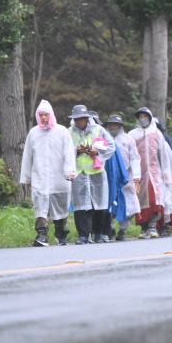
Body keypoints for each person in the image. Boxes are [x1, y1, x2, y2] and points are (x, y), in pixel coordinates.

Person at [20, 100, 76, 246]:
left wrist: (69, 171)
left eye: (46, 115)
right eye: (41, 115)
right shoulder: (33, 133)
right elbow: (27, 157)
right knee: (40, 208)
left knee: (60, 207)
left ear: (51, 115)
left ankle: (61, 233)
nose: (44, 118)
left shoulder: (62, 131)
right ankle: (42, 235)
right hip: (40, 178)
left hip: (59, 178)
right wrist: (28, 179)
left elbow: (69, 152)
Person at [67, 105, 116, 244]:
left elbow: (111, 146)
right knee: (80, 206)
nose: (79, 122)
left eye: (82, 119)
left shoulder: (98, 130)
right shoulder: (69, 132)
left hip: (96, 173)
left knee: (99, 205)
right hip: (78, 173)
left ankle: (98, 233)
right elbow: (63, 150)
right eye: (77, 119)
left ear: (87, 118)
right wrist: (76, 151)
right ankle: (83, 235)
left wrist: (97, 153)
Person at [128, 108, 172, 238]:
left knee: (155, 200)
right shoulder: (132, 135)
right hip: (138, 175)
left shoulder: (156, 133)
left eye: (145, 116)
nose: (143, 119)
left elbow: (163, 155)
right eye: (140, 116)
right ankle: (144, 227)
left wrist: (165, 172)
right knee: (140, 201)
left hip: (154, 174)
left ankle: (153, 226)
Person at [106, 114, 141, 241]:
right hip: (109, 176)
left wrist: (136, 175)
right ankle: (110, 228)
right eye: (112, 124)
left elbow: (135, 158)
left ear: (120, 126)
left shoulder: (128, 140)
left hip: (126, 176)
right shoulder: (104, 138)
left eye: (116, 124)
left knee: (128, 203)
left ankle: (123, 229)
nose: (114, 127)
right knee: (108, 202)